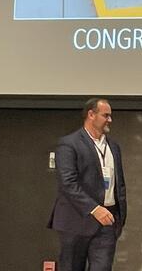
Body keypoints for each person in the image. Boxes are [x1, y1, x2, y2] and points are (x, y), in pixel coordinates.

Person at [48, 98, 127, 271]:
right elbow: (68, 183)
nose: (110, 120)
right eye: (106, 115)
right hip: (76, 220)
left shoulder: (113, 146)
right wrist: (94, 209)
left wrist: (119, 217)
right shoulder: (69, 144)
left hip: (107, 221)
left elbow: (119, 184)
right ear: (91, 115)